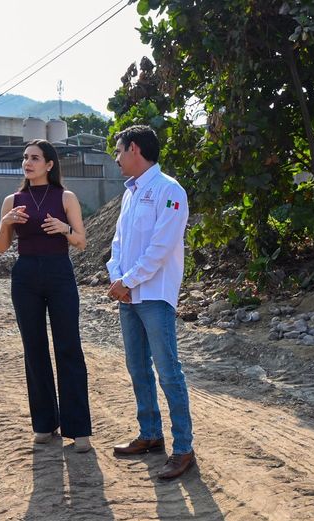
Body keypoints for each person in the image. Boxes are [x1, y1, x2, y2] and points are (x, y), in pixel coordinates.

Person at [107, 125, 195, 480]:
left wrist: (127, 281)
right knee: (137, 368)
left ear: (135, 149)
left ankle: (183, 448)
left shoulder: (169, 191)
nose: (116, 159)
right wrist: (118, 279)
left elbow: (160, 248)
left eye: (119, 150)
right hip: (128, 296)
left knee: (168, 372)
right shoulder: (130, 194)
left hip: (154, 296)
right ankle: (150, 435)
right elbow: (117, 243)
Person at [0, 139, 92, 453]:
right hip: (24, 276)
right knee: (33, 348)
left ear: (49, 164)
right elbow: (0, 247)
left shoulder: (66, 197)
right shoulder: (12, 199)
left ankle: (78, 429)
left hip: (59, 272)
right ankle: (44, 424)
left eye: (35, 158)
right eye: (25, 157)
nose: (28, 162)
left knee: (68, 347)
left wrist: (64, 228)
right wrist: (4, 224)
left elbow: (81, 242)